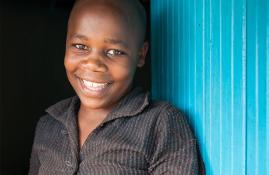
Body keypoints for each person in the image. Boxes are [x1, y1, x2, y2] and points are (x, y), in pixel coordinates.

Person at [28, 0, 199, 174]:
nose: (94, 64)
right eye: (80, 46)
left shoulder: (161, 124)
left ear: (141, 54)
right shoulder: (48, 126)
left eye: (114, 52)